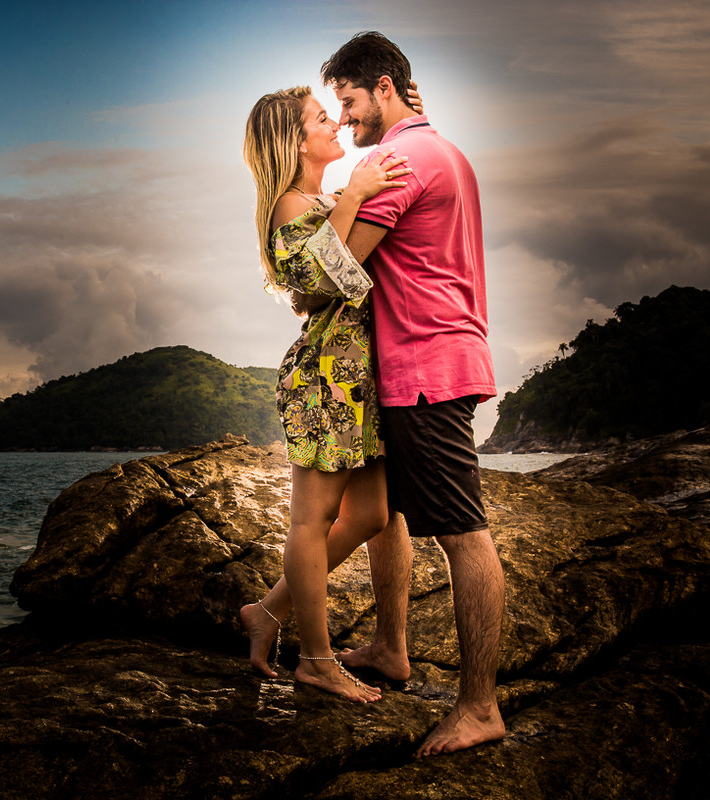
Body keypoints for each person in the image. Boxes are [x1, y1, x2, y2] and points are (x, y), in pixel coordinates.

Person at [322, 31, 506, 757]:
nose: (343, 119)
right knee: (391, 509)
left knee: (464, 533)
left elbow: (338, 273)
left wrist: (331, 199)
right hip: (440, 358)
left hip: (426, 367)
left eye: (349, 100)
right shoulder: (441, 151)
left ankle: (480, 705)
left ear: (385, 87)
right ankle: (391, 647)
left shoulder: (392, 161)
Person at [240, 85, 414, 703]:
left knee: (371, 513)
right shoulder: (291, 204)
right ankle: (316, 660)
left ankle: (265, 612)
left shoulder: (318, 198)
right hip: (325, 379)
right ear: (294, 141)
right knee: (311, 520)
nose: (335, 122)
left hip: (359, 380)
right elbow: (320, 279)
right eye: (322, 118)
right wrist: (358, 196)